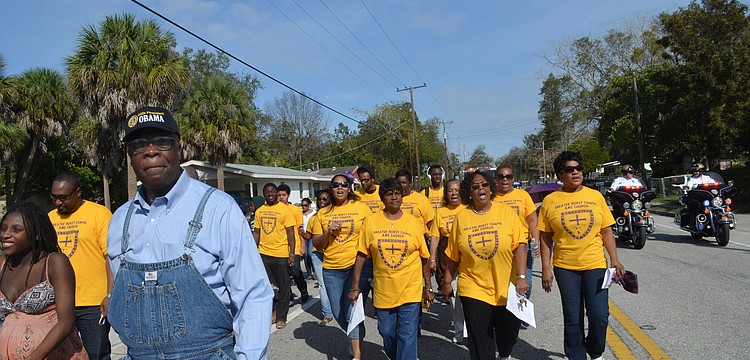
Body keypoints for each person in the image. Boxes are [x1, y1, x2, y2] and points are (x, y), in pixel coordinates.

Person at [107, 106, 273, 359]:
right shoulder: (120, 219)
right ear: (129, 156)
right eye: (139, 145)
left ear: (179, 148)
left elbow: (252, 295)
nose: (151, 151)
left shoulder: (218, 208)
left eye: (163, 142)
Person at [537, 151, 626, 360]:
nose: (575, 172)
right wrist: (546, 268)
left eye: (578, 168)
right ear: (560, 175)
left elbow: (606, 230)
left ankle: (595, 352)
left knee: (599, 316)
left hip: (595, 263)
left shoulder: (595, 196)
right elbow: (545, 237)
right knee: (572, 317)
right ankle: (576, 356)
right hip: (565, 266)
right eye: (569, 169)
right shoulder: (550, 201)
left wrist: (614, 259)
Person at [442, 170, 527, 360]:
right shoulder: (461, 218)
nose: (481, 189)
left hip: (506, 286)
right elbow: (454, 256)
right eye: (475, 187)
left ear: (490, 188)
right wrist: (447, 282)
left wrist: (521, 277)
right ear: (468, 192)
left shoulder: (506, 212)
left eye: (484, 185)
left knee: (508, 333)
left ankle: (504, 355)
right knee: (479, 339)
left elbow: (520, 246)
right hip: (473, 286)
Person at [351, 178, 433, 360]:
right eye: (389, 194)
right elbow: (361, 255)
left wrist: (428, 287)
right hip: (383, 290)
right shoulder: (371, 222)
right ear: (382, 198)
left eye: (397, 193)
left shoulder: (413, 223)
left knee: (408, 334)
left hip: (410, 288)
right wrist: (355, 287)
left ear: (402, 196)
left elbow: (424, 258)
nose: (394, 197)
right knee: (386, 331)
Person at [0, 203, 89, 359]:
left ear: (36, 234)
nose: (5, 235)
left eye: (16, 230)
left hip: (53, 354)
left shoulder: (55, 262)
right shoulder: (2, 265)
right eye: (3, 228)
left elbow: (66, 322)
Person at [48, 173, 113, 359]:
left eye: (64, 197)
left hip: (92, 303)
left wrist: (109, 294)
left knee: (96, 353)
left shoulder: (99, 213)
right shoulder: (50, 218)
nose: (58, 203)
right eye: (54, 198)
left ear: (78, 192)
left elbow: (111, 257)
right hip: (59, 302)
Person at [311, 175, 372, 360]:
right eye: (336, 185)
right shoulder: (322, 214)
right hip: (332, 268)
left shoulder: (361, 208)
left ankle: (357, 354)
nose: (340, 188)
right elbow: (317, 244)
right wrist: (328, 232)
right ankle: (356, 336)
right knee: (338, 312)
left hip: (358, 267)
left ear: (349, 188)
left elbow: (371, 235)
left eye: (344, 185)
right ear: (331, 188)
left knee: (352, 310)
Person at [494, 165, 540, 303]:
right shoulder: (492, 197)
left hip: (522, 245)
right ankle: (509, 313)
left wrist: (535, 240)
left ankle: (522, 308)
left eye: (508, 176)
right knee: (505, 281)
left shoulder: (523, 195)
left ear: (513, 178)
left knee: (527, 281)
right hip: (501, 246)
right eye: (501, 177)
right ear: (496, 179)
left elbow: (532, 219)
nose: (505, 180)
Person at [427, 179, 466, 343]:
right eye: (450, 190)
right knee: (454, 294)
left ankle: (472, 325)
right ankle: (459, 330)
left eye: (457, 190)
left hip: (467, 257)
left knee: (467, 294)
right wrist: (432, 258)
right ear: (446, 193)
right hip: (448, 258)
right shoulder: (440, 212)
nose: (454, 193)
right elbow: (435, 236)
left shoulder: (468, 209)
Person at [254, 183, 297, 329]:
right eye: (267, 192)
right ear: (264, 194)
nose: (270, 194)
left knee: (283, 286)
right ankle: (271, 312)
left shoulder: (284, 210)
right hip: (263, 253)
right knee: (266, 287)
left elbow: (291, 233)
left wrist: (292, 253)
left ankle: (281, 317)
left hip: (280, 254)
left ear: (276, 193)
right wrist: (253, 251)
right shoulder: (260, 211)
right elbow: (257, 232)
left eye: (273, 191)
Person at [303, 191, 335, 325]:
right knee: (322, 284)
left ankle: (340, 309)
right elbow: (309, 236)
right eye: (319, 200)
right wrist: (302, 233)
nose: (321, 201)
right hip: (317, 254)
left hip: (333, 253)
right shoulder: (313, 218)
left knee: (335, 284)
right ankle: (327, 313)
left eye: (324, 199)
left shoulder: (335, 215)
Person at [277, 184, 310, 304]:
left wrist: (302, 246)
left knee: (295, 270)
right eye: (279, 195)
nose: (281, 197)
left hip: (294, 246)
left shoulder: (295, 210)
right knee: (284, 273)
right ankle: (288, 294)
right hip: (280, 247)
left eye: (283, 195)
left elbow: (299, 230)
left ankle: (303, 290)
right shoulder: (276, 210)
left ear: (288, 195)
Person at [301, 197, 315, 279]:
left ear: (309, 205)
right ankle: (309, 272)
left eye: (305, 205)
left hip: (312, 235)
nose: (304, 207)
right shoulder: (300, 214)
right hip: (303, 235)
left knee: (310, 254)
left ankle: (314, 270)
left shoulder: (313, 213)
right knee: (305, 255)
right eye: (302, 205)